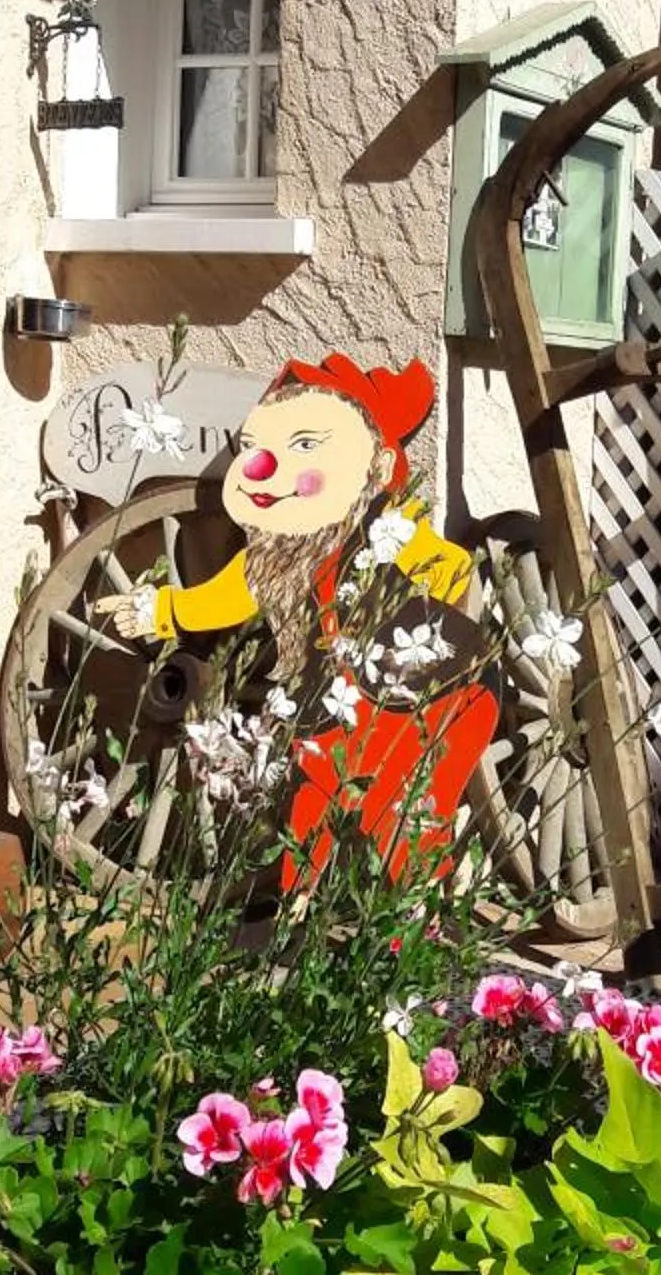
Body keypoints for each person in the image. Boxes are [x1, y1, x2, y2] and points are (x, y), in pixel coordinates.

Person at [98, 351, 498, 880]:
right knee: (317, 786)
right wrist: (167, 607)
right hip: (342, 693)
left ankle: (400, 917)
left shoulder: (390, 532)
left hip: (440, 690)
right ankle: (303, 910)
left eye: (306, 445)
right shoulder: (287, 547)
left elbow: (451, 569)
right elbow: (232, 593)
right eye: (254, 449)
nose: (267, 468)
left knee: (408, 807)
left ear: (376, 468)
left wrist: (400, 612)